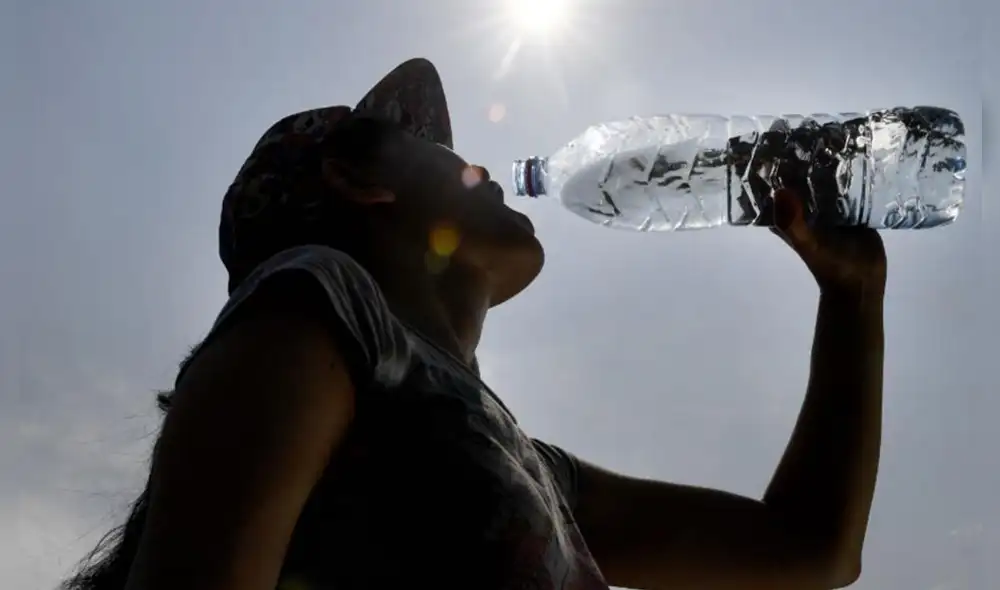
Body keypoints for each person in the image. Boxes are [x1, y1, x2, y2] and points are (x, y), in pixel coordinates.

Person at [65, 58, 886, 590]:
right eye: (438, 151)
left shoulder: (526, 464)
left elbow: (810, 550)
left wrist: (851, 297)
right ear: (359, 177)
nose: (482, 170)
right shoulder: (317, 308)